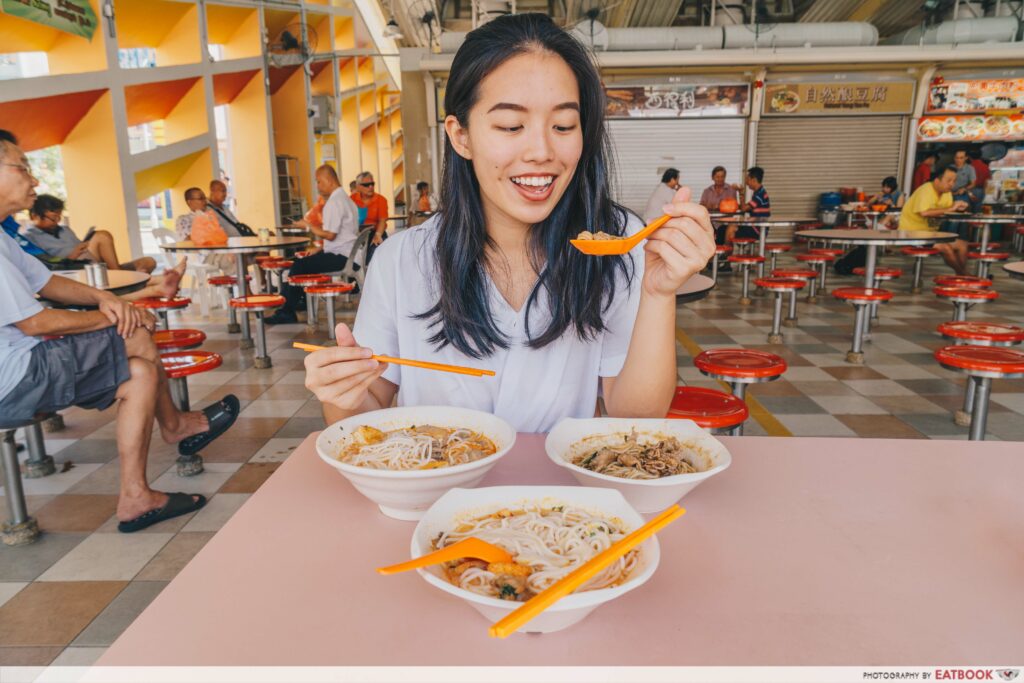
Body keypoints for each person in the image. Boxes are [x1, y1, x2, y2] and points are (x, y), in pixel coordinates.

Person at [302, 13, 715, 433]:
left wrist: (658, 293)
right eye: (511, 125)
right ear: (461, 136)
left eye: (563, 125)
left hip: (562, 497)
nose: (541, 150)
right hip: (437, 492)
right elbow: (367, 413)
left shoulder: (621, 241)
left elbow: (636, 417)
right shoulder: (400, 261)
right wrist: (342, 395)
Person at [0, 136, 240, 533]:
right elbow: (37, 322)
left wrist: (101, 299)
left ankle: (136, 495)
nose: (34, 179)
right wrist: (116, 314)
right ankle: (175, 426)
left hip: (25, 367)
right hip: (14, 379)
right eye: (22, 167)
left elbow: (47, 282)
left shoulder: (4, 239)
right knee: (138, 331)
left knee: (141, 375)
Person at [265, 164, 360, 325]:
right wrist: (320, 248)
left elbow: (331, 234)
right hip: (349, 253)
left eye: (318, 182)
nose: (317, 186)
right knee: (301, 263)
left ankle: (287, 311)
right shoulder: (346, 199)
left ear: (329, 181)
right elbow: (342, 235)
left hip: (341, 257)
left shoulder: (334, 202)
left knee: (298, 266)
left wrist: (307, 226)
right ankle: (298, 301)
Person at [21, 194, 157, 273]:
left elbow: (84, 250)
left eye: (59, 217)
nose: (57, 221)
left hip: (95, 265)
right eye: (52, 218)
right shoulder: (30, 238)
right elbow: (46, 265)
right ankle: (121, 278)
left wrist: (83, 246)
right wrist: (70, 257)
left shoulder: (64, 230)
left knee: (148, 262)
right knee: (101, 236)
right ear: (35, 216)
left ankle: (118, 275)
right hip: (75, 270)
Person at [900, 165, 970, 274]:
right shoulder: (925, 190)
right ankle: (964, 275)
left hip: (931, 235)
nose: (952, 184)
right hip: (911, 234)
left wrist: (960, 208)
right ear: (937, 181)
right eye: (949, 181)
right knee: (945, 247)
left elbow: (948, 211)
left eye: (954, 181)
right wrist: (951, 208)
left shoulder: (947, 194)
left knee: (962, 245)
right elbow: (924, 212)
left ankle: (962, 275)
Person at [721, 166, 769, 249]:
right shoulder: (759, 193)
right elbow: (747, 207)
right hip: (756, 227)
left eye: (747, 179)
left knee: (731, 228)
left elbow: (744, 209)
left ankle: (726, 253)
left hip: (757, 229)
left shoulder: (759, 195)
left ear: (753, 180)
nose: (746, 182)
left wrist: (741, 192)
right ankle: (727, 254)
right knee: (727, 228)